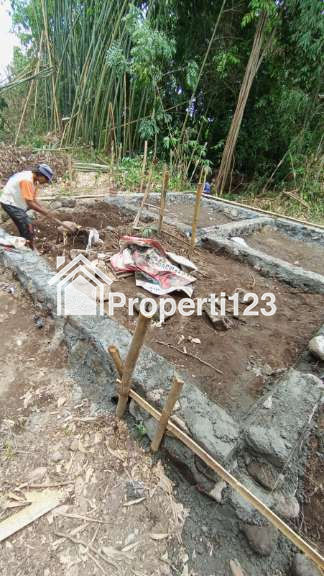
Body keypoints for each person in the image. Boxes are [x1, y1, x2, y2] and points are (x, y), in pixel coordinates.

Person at [0, 163, 71, 250]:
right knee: (27, 225)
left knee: (26, 225)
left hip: (17, 201)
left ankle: (27, 244)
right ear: (40, 175)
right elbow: (30, 203)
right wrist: (45, 212)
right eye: (46, 179)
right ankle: (31, 249)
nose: (47, 182)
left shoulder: (34, 180)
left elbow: (33, 199)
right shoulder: (27, 180)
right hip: (9, 202)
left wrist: (44, 209)